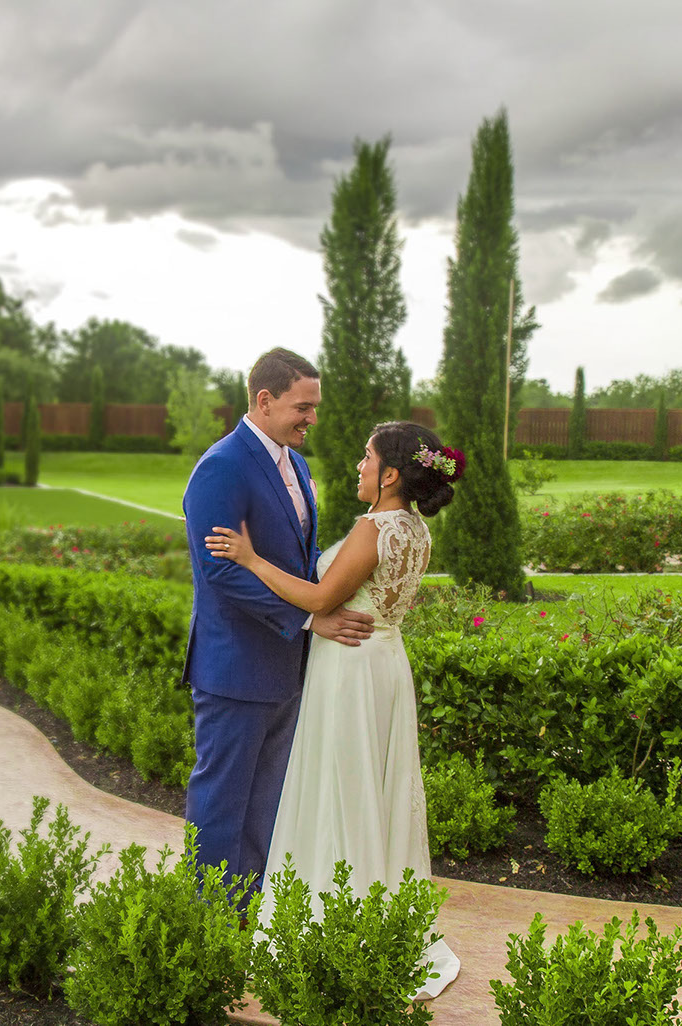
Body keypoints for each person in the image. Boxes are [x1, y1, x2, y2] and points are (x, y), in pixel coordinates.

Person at [206, 420, 464, 999]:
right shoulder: (414, 529)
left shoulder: (375, 527)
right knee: (374, 787)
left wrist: (249, 558)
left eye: (366, 458)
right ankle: (379, 915)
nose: (359, 466)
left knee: (339, 787)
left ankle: (336, 919)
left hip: (350, 670)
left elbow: (322, 599)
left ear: (391, 475)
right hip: (386, 663)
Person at [180, 348, 375, 900]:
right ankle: (209, 914)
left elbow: (299, 553)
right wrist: (313, 617)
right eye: (303, 407)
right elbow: (221, 573)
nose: (312, 418)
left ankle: (251, 909)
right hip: (235, 669)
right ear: (264, 401)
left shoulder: (298, 464)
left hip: (288, 666)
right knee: (223, 799)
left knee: (269, 798)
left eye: (314, 407)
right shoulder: (221, 466)